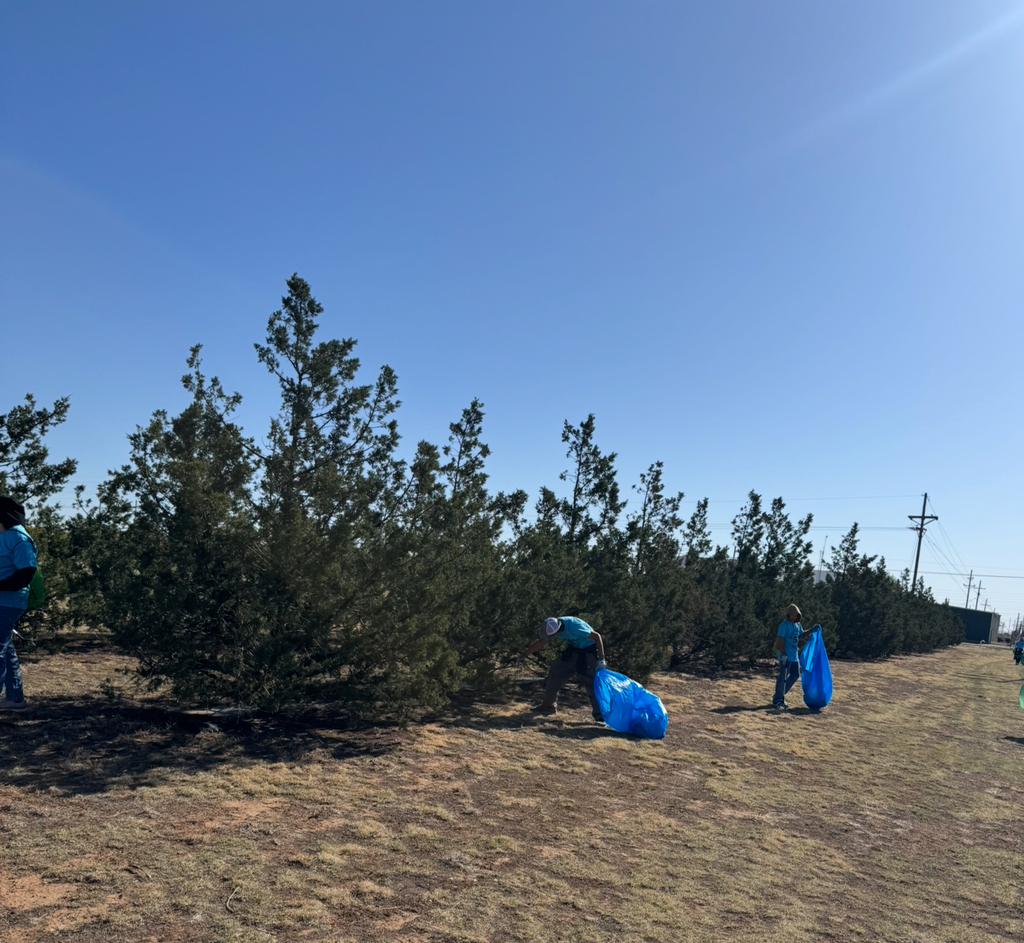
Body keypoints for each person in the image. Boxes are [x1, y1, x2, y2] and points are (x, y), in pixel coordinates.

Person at [517, 616, 607, 721]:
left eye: (551, 636)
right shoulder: (552, 625)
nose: (550, 638)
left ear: (556, 632)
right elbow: (541, 642)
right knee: (556, 672)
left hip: (589, 653)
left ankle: (600, 716)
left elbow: (597, 637)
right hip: (574, 650)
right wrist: (523, 655)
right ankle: (548, 707)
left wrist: (601, 659)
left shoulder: (575, 628)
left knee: (592, 684)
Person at [0, 496, 37, 711]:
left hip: (9, 602)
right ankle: (15, 699)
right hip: (4, 600)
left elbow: (27, 572)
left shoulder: (19, 538)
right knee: (5, 648)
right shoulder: (5, 536)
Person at [772, 604, 812, 711]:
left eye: (796, 615)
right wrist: (783, 654)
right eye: (792, 615)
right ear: (788, 615)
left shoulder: (797, 625)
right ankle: (778, 700)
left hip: (794, 656)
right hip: (785, 656)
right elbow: (779, 641)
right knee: (783, 677)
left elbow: (801, 636)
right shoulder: (784, 625)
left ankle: (780, 694)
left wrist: (811, 631)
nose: (793, 617)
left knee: (795, 674)